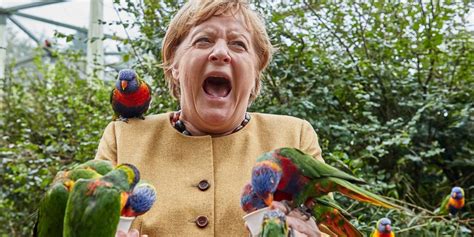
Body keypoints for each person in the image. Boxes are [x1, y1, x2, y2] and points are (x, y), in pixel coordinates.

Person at [96, 1, 326, 236]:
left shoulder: (294, 137)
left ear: (256, 72)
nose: (220, 53)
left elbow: (330, 227)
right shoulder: (123, 137)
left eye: (238, 44)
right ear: (175, 64)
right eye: (203, 40)